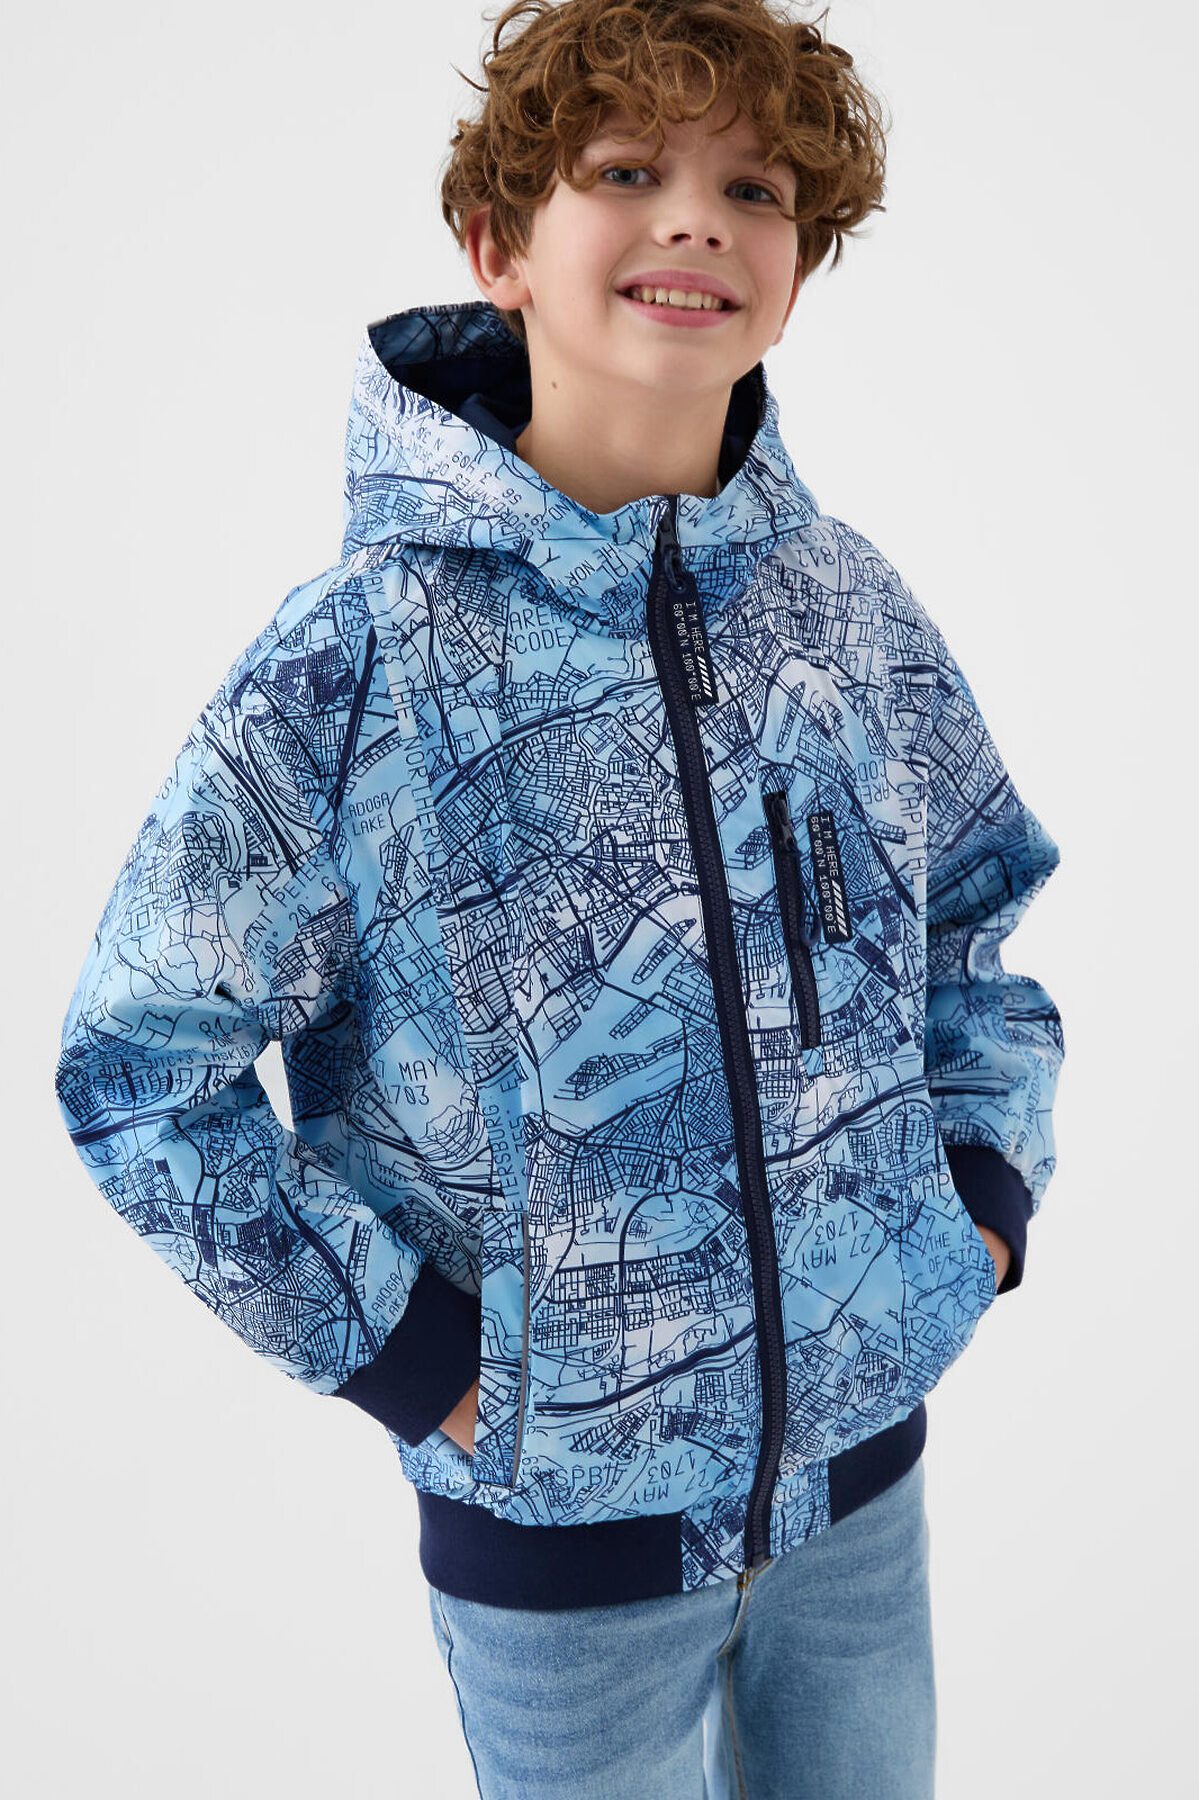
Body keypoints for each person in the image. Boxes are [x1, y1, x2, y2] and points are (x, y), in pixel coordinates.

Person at [53, 1, 1066, 1795]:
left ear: (796, 272)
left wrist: (970, 1201)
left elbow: (976, 915)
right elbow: (141, 1070)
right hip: (559, 1559)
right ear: (498, 245)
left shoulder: (846, 611)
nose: (694, 220)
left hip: (862, 1496)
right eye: (625, 171)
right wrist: (422, 1358)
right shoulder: (361, 661)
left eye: (753, 189)